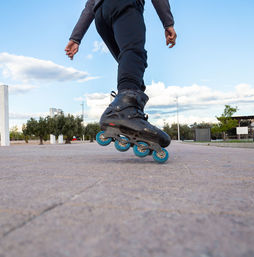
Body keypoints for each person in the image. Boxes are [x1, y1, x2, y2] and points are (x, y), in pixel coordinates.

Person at [65, 0, 177, 163]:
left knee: (129, 63)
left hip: (101, 16)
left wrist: (76, 37)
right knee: (134, 53)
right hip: (124, 5)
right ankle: (125, 111)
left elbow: (89, 5)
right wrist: (168, 22)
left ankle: (131, 111)